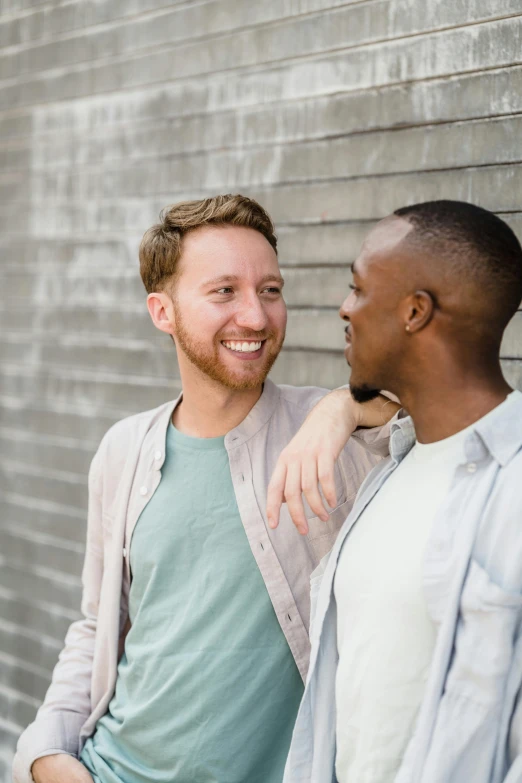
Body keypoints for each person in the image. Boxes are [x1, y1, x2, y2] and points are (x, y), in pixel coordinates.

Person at [13, 194, 400, 783]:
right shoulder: (124, 449)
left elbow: (450, 428)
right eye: (225, 292)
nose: (256, 316)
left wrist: (343, 406)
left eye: (270, 290)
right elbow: (98, 626)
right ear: (162, 312)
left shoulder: (331, 437)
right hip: (109, 769)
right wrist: (45, 754)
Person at [279, 200, 522, 783]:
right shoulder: (392, 467)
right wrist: (341, 405)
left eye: (358, 289)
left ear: (415, 311)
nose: (344, 307)